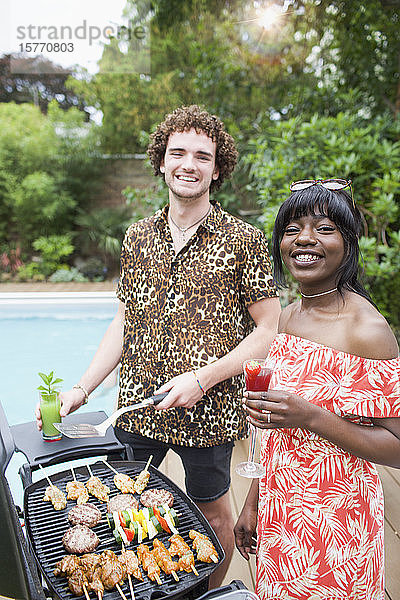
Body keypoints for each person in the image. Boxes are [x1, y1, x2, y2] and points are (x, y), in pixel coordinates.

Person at [36, 105, 281, 587]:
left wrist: (204, 378)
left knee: (211, 514)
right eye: (178, 153)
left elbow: (268, 330)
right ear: (161, 161)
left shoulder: (243, 241)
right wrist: (82, 390)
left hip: (208, 410)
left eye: (201, 156)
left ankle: (205, 595)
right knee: (118, 506)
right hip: (138, 405)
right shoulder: (137, 236)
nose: (189, 164)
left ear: (218, 168)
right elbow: (125, 320)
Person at [234, 178, 400, 599]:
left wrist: (312, 416)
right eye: (292, 229)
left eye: (325, 228)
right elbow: (279, 432)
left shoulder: (367, 331)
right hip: (280, 511)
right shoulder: (289, 317)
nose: (305, 239)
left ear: (348, 242)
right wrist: (254, 501)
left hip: (336, 524)